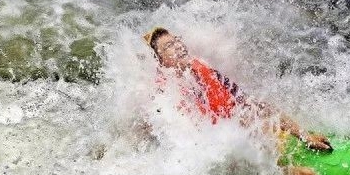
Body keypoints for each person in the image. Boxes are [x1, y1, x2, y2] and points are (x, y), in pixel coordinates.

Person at [142, 27, 331, 151]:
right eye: (169, 46)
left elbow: (249, 102)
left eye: (177, 40)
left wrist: (302, 134)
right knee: (253, 121)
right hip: (214, 150)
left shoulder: (203, 71)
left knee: (257, 111)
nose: (178, 46)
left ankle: (302, 140)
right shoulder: (166, 94)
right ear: (160, 59)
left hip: (233, 136)